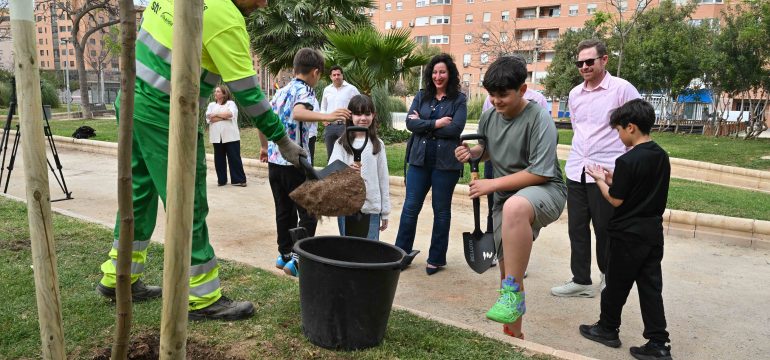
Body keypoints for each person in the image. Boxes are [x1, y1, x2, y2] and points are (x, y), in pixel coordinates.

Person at [96, 0, 305, 321]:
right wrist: (282, 139)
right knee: (187, 202)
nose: (264, 4)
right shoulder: (227, 19)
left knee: (138, 197)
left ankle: (119, 277)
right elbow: (248, 92)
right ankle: (202, 296)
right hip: (166, 115)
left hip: (130, 99)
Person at [455, 56, 566, 339]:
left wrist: (491, 184)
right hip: (506, 196)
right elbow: (488, 149)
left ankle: (513, 298)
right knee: (508, 275)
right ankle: (513, 338)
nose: (496, 101)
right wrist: (474, 153)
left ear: (523, 90)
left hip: (545, 190)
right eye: (492, 95)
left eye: (503, 94)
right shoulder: (490, 114)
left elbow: (540, 172)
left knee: (516, 206)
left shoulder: (540, 119)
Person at [579, 99, 672, 360]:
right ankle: (659, 343)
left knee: (616, 286)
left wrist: (599, 180)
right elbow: (639, 188)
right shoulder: (660, 155)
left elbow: (616, 199)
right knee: (651, 288)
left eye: (619, 130)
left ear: (630, 127)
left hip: (627, 235)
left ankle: (607, 329)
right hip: (652, 233)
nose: (618, 136)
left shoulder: (628, 160)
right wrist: (613, 178)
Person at [551, 39, 641, 298]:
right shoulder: (575, 94)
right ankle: (580, 280)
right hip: (577, 169)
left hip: (607, 172)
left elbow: (640, 123)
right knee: (576, 228)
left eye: (589, 61)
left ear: (604, 60)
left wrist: (629, 161)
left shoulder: (621, 89)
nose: (584, 67)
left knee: (605, 229)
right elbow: (579, 128)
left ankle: (608, 277)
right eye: (580, 63)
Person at [268, 48, 351, 277]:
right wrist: (329, 116)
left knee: (283, 210)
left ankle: (284, 254)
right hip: (295, 162)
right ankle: (298, 258)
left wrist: (265, 148)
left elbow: (264, 120)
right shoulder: (306, 91)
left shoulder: (281, 92)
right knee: (309, 211)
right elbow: (298, 113)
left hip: (275, 162)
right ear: (315, 72)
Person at [394, 53, 467, 275]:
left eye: (442, 72)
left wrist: (423, 123)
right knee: (410, 207)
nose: (438, 76)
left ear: (450, 74)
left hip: (446, 164)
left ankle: (436, 258)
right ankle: (401, 253)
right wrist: (436, 123)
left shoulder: (459, 99)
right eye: (434, 72)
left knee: (441, 211)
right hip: (419, 160)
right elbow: (409, 123)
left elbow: (456, 129)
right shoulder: (422, 96)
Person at [329, 95, 390, 240]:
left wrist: (385, 212)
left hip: (371, 209)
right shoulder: (341, 144)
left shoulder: (378, 145)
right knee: (348, 249)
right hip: (347, 208)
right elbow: (331, 173)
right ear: (350, 116)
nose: (363, 118)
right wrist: (346, 171)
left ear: (373, 115)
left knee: (370, 250)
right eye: (358, 113)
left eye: (367, 113)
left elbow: (383, 179)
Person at [206, 85, 247, 187]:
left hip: (231, 136)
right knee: (219, 159)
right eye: (215, 91)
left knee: (234, 158)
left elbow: (230, 114)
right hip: (217, 137)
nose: (215, 93)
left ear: (224, 94)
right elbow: (210, 119)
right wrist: (223, 116)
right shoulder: (211, 105)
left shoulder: (231, 103)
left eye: (218, 92)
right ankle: (221, 180)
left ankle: (239, 180)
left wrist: (215, 115)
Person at [321, 65, 360, 160]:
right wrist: (323, 118)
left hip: (345, 126)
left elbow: (359, 104)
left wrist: (352, 119)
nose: (336, 77)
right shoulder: (327, 90)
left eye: (338, 74)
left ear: (342, 75)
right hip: (330, 127)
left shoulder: (351, 89)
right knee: (331, 155)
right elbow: (323, 107)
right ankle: (333, 174)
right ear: (331, 77)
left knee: (347, 152)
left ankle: (348, 174)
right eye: (334, 75)